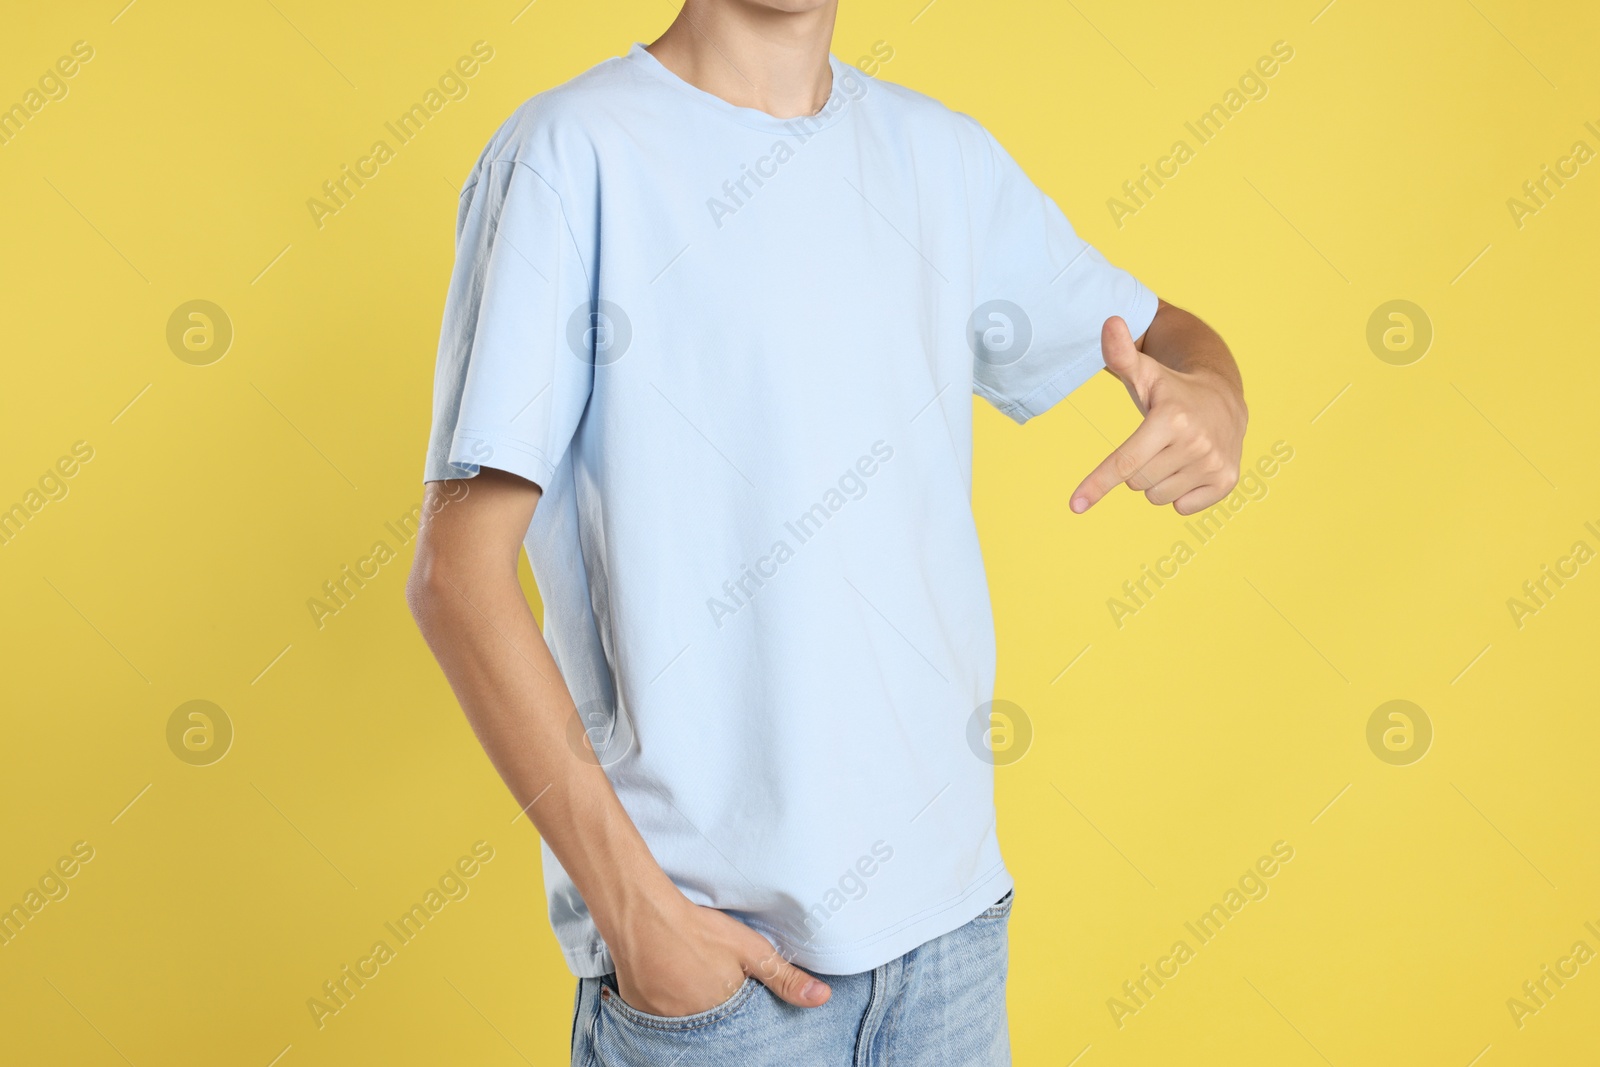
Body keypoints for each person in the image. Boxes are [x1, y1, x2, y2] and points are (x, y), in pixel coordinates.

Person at [407, 2, 1246, 1063]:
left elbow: (1170, 335)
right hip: (716, 979)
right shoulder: (570, 158)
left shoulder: (939, 159)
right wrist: (641, 920)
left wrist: (1216, 397)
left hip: (949, 950)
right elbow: (457, 579)